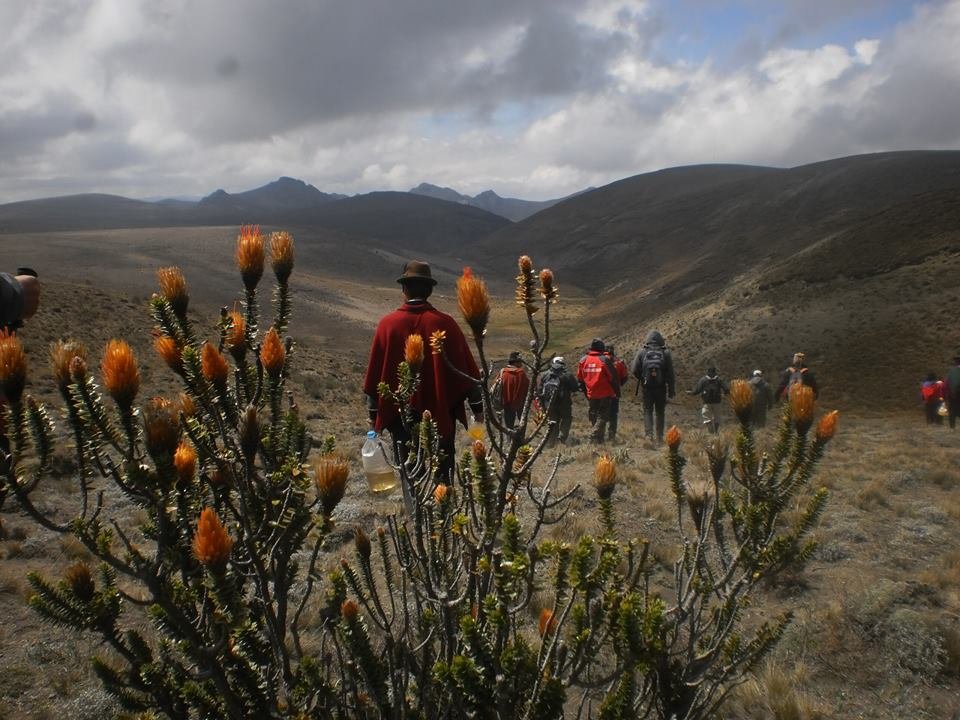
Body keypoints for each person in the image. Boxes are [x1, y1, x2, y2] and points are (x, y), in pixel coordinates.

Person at [363, 260, 483, 480]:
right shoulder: (446, 325)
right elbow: (468, 375)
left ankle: (414, 510)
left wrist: (373, 419)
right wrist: (478, 412)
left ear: (404, 289)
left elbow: (374, 380)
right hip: (440, 414)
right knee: (443, 470)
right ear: (429, 290)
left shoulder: (387, 325)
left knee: (410, 472)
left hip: (399, 418)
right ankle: (444, 511)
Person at [630, 330, 676, 444]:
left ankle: (649, 435)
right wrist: (671, 390)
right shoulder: (665, 353)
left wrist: (643, 378)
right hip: (661, 388)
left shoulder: (642, 352)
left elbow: (634, 370)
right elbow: (670, 374)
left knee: (647, 411)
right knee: (660, 412)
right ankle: (660, 437)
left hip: (647, 388)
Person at [577, 338, 618, 444]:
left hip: (591, 394)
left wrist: (586, 393)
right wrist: (617, 392)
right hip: (604, 393)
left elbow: (580, 379)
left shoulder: (583, 360)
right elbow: (613, 378)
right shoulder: (604, 360)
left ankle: (599, 440)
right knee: (602, 416)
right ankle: (593, 435)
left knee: (594, 416)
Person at [537, 356, 579, 446]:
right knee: (566, 419)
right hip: (564, 403)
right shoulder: (567, 375)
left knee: (553, 421)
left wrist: (542, 404)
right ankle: (562, 437)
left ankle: (552, 442)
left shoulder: (544, 374)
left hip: (549, 403)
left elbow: (539, 390)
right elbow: (575, 388)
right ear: (563, 364)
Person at [494, 351, 530, 429]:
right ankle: (520, 439)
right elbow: (527, 388)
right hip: (520, 403)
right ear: (516, 362)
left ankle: (509, 440)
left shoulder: (502, 372)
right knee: (522, 426)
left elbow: (495, 386)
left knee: (509, 427)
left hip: (506, 404)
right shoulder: (521, 373)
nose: (521, 364)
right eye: (520, 361)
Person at [689, 366, 728, 434]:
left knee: (706, 417)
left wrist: (691, 393)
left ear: (707, 372)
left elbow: (697, 390)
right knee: (717, 418)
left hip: (706, 402)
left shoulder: (703, 380)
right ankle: (715, 432)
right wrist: (725, 394)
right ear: (715, 372)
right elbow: (726, 389)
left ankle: (711, 432)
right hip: (717, 402)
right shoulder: (719, 380)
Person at [604, 345, 630, 443]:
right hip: (614, 393)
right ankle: (611, 436)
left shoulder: (600, 361)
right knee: (613, 415)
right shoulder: (618, 363)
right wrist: (619, 384)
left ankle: (599, 435)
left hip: (601, 393)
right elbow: (625, 377)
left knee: (601, 415)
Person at [946, 356, 960, 430]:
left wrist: (951, 392)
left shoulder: (952, 371)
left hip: (953, 394)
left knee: (952, 410)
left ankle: (952, 427)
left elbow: (948, 382)